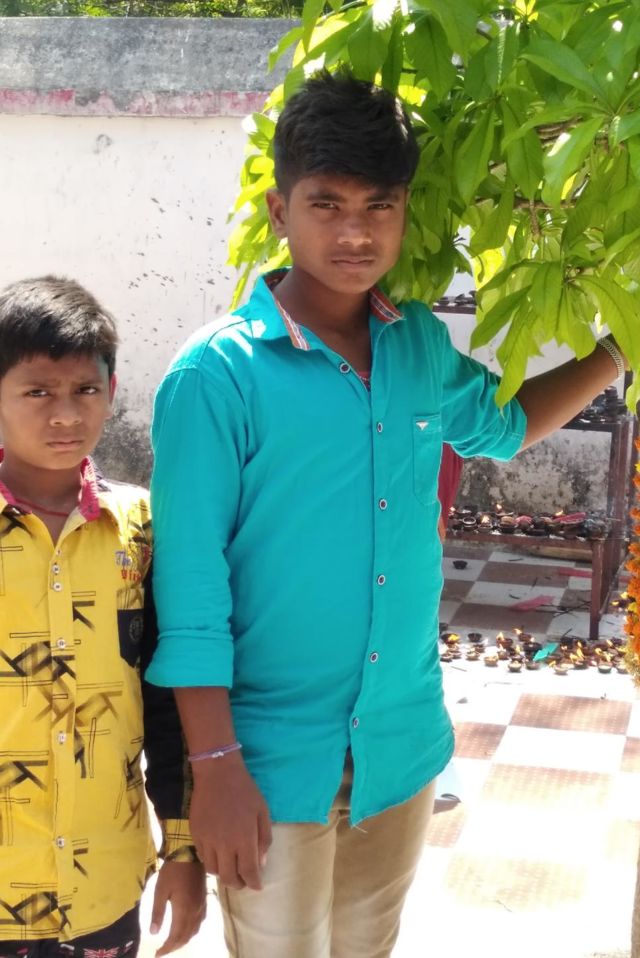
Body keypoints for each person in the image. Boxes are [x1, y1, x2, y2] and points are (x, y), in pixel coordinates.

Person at [147, 70, 629, 958]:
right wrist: (212, 769)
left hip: (400, 748)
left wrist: (618, 348)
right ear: (280, 208)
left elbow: (505, 425)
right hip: (269, 759)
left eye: (381, 205)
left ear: (405, 211)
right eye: (326, 204)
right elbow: (189, 591)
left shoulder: (416, 346)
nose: (356, 232)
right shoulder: (215, 377)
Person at [0, 276, 206, 958]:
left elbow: (168, 700)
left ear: (112, 391)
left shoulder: (142, 527)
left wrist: (183, 849)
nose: (65, 415)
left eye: (85, 389)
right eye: (38, 392)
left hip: (103, 887)